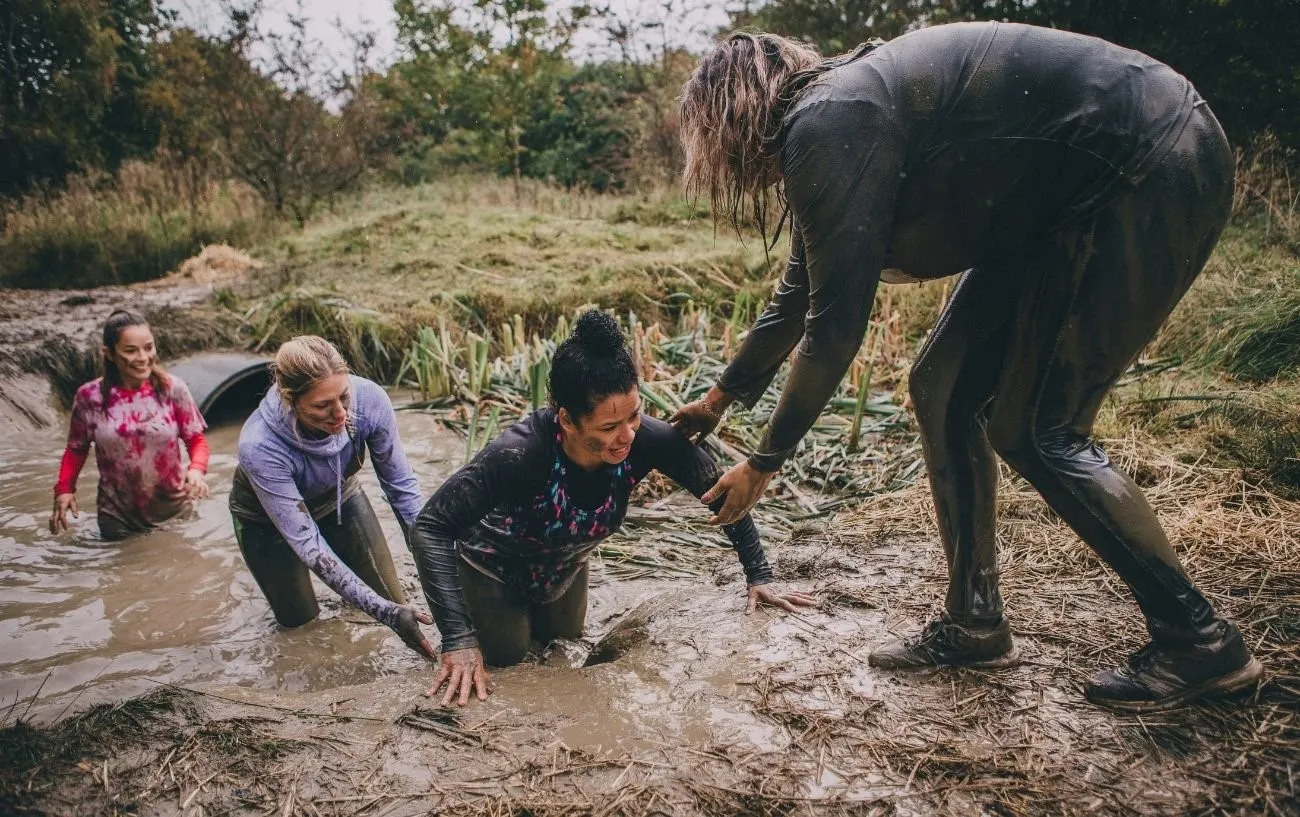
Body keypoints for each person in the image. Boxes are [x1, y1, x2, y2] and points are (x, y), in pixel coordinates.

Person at [670, 22, 1262, 712]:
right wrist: (718, 399)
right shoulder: (833, 124)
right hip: (1051, 206)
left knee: (1041, 427)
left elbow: (832, 331)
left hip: (1148, 159)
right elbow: (797, 296)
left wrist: (764, 463)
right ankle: (974, 619)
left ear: (732, 115)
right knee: (944, 386)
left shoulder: (829, 120)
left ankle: (1200, 641)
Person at [412, 310, 816, 706]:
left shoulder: (647, 441)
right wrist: (458, 638)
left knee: (566, 648)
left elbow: (723, 495)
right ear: (567, 420)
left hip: (564, 567)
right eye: (608, 428)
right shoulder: (519, 454)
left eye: (634, 416)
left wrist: (758, 575)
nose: (626, 437)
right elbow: (430, 527)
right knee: (512, 661)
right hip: (491, 570)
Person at [229, 335, 435, 658]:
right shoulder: (259, 445)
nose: (340, 413)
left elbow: (402, 489)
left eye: (343, 397)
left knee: (396, 600)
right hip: (264, 523)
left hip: (339, 497)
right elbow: (310, 546)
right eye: (323, 406)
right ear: (289, 399)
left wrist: (437, 562)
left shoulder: (369, 400)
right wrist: (385, 614)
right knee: (302, 628)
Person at [50, 309, 210, 540]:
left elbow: (195, 439)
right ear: (110, 354)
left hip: (175, 509)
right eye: (130, 350)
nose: (143, 357)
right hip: (117, 516)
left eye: (148, 347)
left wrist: (196, 470)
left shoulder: (171, 389)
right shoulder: (89, 398)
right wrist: (64, 490)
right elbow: (76, 449)